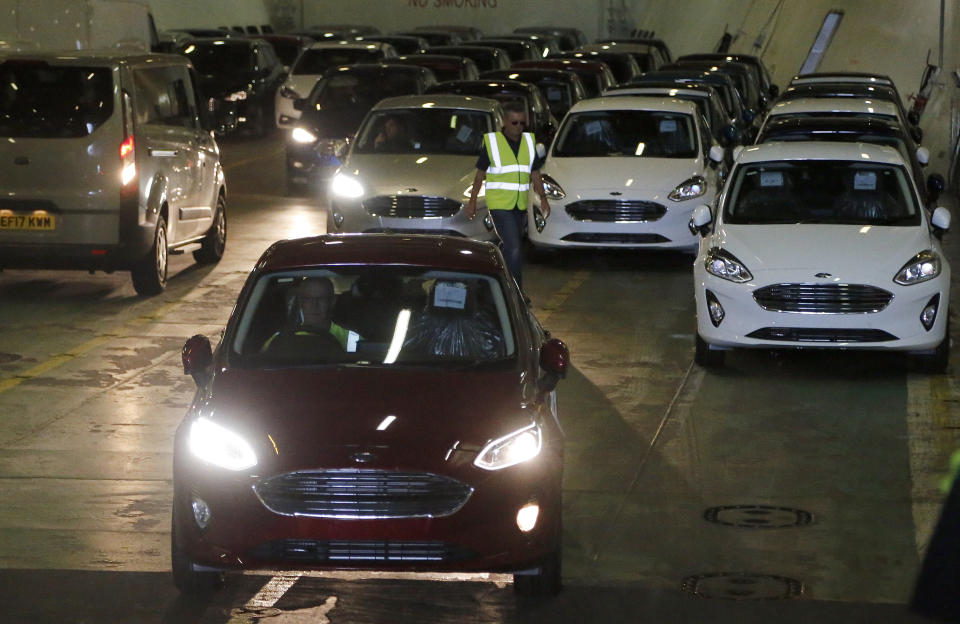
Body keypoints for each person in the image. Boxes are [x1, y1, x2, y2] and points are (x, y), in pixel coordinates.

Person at [465, 100, 550, 293]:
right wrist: (472, 201)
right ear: (504, 121)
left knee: (510, 248)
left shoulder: (529, 142)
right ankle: (515, 293)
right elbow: (480, 174)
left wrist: (543, 198)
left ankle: (493, 282)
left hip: (519, 205)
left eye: (522, 123)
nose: (519, 127)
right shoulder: (493, 142)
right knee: (514, 247)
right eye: (514, 123)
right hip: (499, 205)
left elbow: (535, 173)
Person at [261, 276, 359, 353]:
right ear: (300, 302)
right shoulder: (278, 340)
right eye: (308, 299)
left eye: (321, 299)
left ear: (332, 302)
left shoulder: (353, 340)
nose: (314, 305)